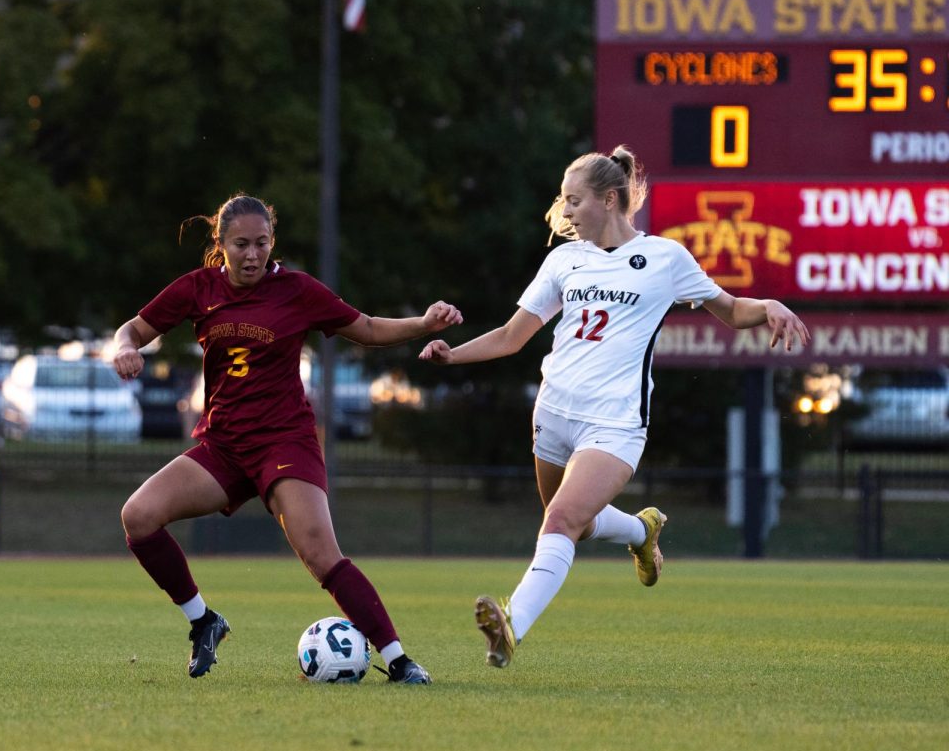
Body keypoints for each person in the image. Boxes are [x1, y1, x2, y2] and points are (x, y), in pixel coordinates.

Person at [419, 146, 809, 669]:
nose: (566, 210)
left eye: (574, 200)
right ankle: (639, 531)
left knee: (559, 519)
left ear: (609, 199)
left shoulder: (665, 259)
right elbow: (514, 337)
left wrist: (771, 306)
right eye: (564, 200)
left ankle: (511, 625)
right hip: (553, 415)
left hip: (615, 423)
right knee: (572, 524)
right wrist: (452, 356)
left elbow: (731, 310)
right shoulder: (563, 260)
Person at [111, 192, 462, 684]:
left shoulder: (296, 290)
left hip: (284, 442)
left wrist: (423, 323)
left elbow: (366, 328)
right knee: (138, 517)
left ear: (272, 242)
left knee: (321, 554)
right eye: (241, 245)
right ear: (221, 244)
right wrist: (124, 347)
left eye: (261, 243)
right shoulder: (198, 288)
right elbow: (132, 328)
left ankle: (400, 661)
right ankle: (203, 621)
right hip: (224, 446)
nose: (252, 255)